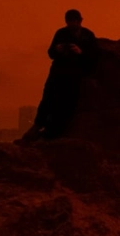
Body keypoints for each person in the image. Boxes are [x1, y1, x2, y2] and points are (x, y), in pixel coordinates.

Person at [25, 9, 97, 141]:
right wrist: (57, 49)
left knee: (66, 103)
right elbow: (51, 53)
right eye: (69, 21)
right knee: (48, 98)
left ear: (80, 21)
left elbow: (94, 56)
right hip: (58, 72)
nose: (72, 24)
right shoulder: (61, 33)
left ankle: (54, 130)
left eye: (74, 21)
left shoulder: (87, 35)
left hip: (75, 75)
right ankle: (39, 125)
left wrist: (80, 52)